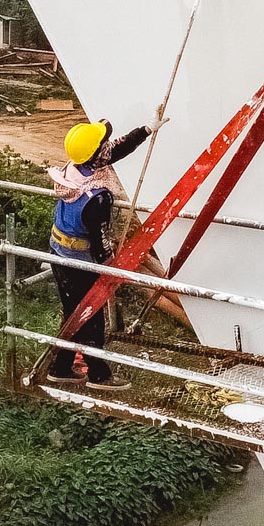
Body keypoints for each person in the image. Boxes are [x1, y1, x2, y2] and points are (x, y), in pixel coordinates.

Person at [46, 119, 152, 389]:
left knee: (73, 310)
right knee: (89, 314)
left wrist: (145, 131)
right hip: (78, 261)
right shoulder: (97, 198)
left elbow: (112, 150)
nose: (108, 146)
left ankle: (60, 367)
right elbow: (100, 240)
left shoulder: (76, 168)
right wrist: (110, 265)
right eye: (102, 144)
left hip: (60, 250)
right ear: (96, 154)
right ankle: (99, 376)